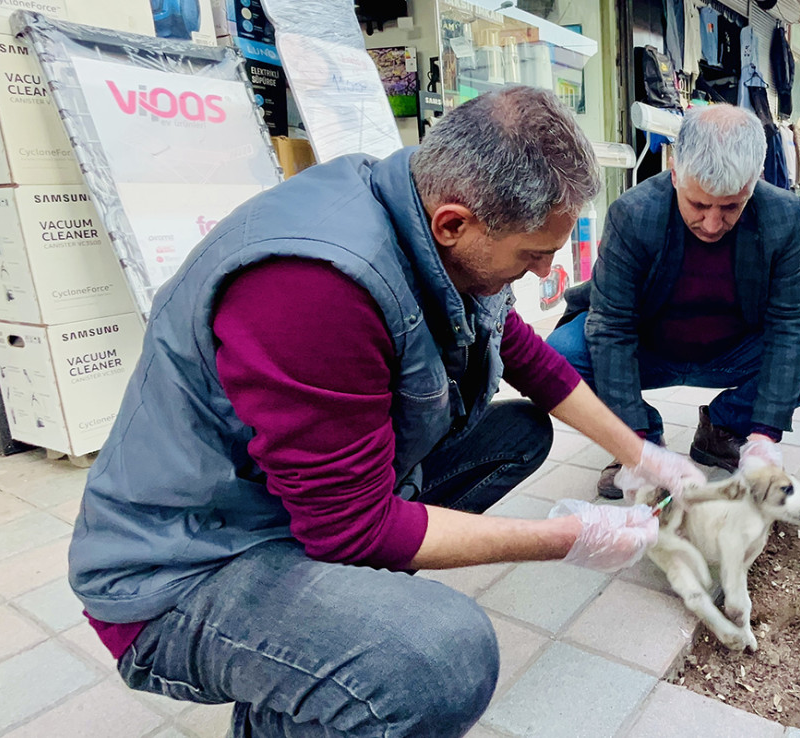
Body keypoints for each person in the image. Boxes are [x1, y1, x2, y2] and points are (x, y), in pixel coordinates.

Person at [67, 86, 707, 738]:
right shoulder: (317, 290)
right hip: (181, 569)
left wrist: (641, 452)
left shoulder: (424, 212)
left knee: (516, 435)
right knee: (441, 658)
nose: (546, 273)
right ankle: (304, 682)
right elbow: (352, 531)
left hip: (281, 506)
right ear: (454, 223)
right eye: (531, 254)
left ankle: (312, 654)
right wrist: (570, 538)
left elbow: (522, 353)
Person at [547, 104, 800, 499]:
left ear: (755, 183)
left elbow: (789, 325)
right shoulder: (633, 214)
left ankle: (724, 429)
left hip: (733, 350)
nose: (712, 224)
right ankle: (645, 438)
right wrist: (635, 444)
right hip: (648, 348)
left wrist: (764, 435)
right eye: (699, 205)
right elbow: (612, 328)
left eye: (730, 207)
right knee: (560, 357)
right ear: (675, 172)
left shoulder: (784, 216)